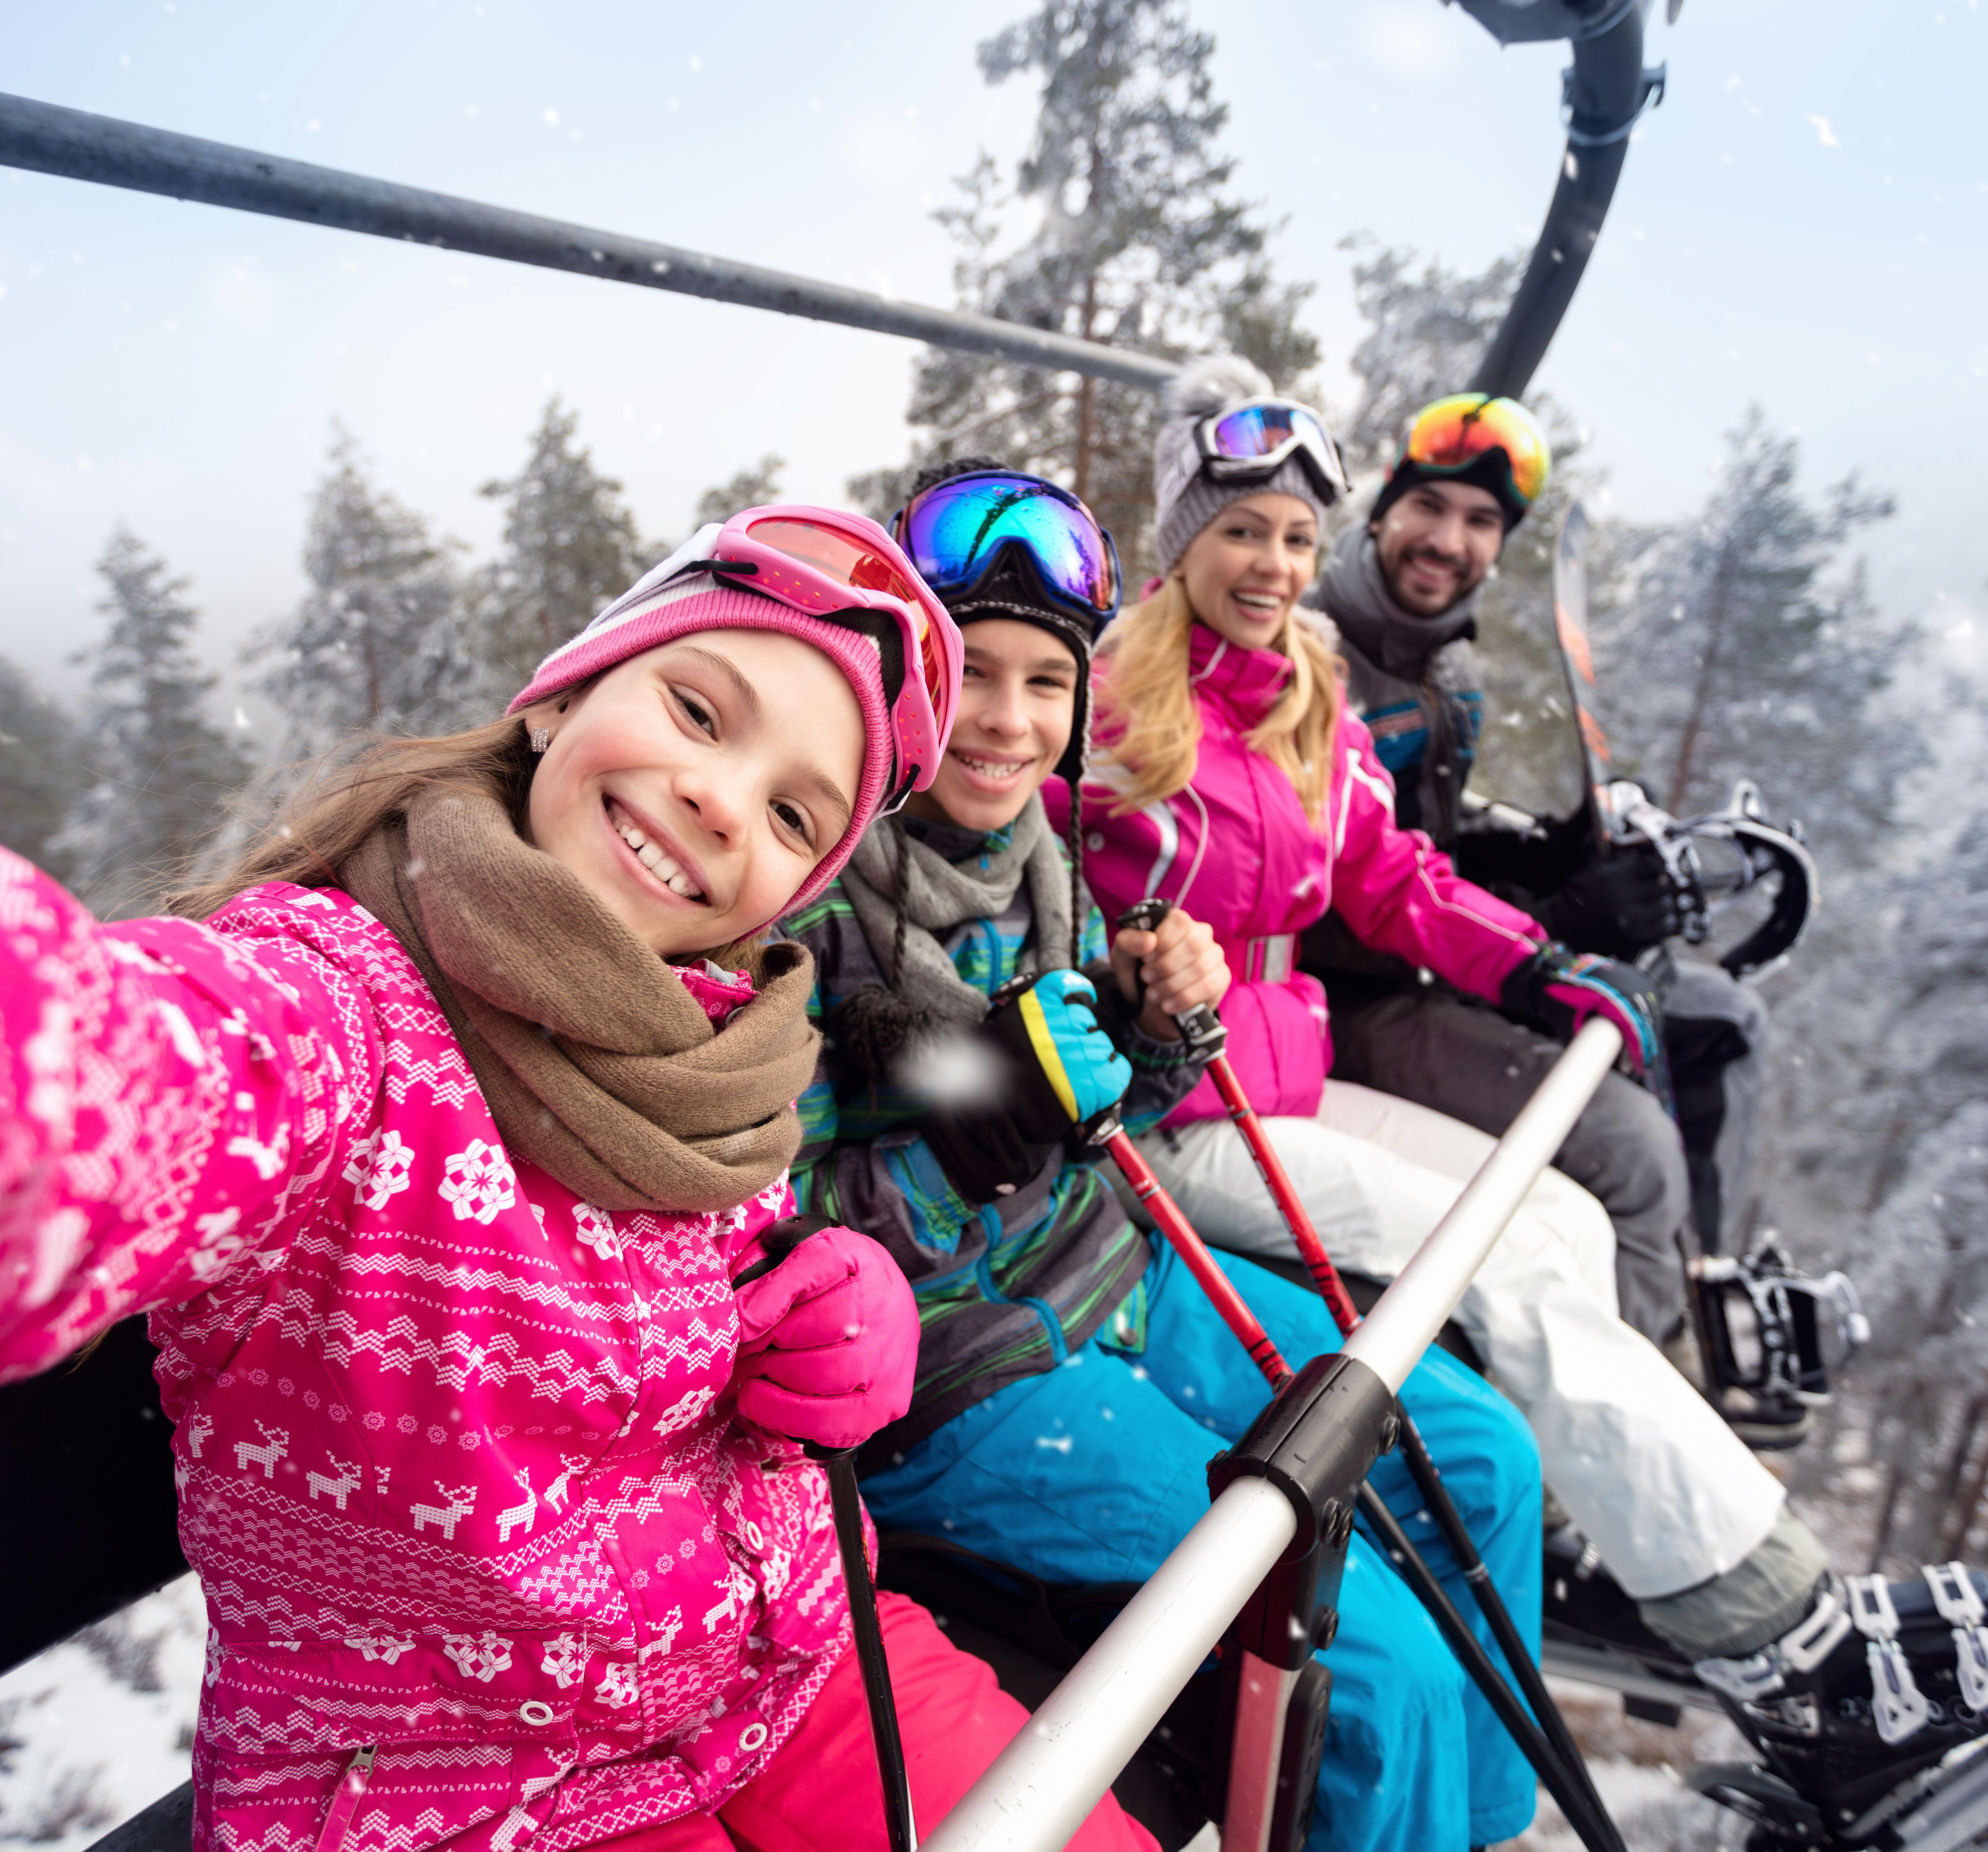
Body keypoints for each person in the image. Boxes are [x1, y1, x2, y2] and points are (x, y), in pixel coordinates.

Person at [0, 508, 1159, 1852]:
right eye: (696, 711)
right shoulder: (338, 1011)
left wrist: (831, 1302)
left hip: (798, 1655)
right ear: (562, 695)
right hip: (471, 1789)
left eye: (794, 811)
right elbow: (81, 1098)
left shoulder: (719, 1045)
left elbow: (712, 1288)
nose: (720, 798)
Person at [777, 461, 1549, 1852]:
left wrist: (1150, 1030)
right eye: (973, 677)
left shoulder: (1037, 856)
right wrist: (971, 1140)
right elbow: (769, 1236)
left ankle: (1471, 1830)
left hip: (1110, 1271)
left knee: (1482, 1456)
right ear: (902, 683)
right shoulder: (811, 892)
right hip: (959, 1364)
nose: (1009, 724)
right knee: (1379, 1665)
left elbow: (1093, 1116)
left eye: (1045, 684)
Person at [1068, 355, 1841, 1690]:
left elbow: (1396, 878)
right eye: (1242, 529)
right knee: (1508, 1258)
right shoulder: (1109, 702)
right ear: (1187, 536)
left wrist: (1541, 968)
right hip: (1171, 1103)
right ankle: (1765, 1612)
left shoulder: (1307, 696)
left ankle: (1605, 1498)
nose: (1272, 565)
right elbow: (1029, 879)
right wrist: (1122, 982)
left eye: (1299, 538)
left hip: (1284, 1069)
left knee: (1568, 1217)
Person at [1300, 391, 1768, 1362]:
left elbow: (1419, 834)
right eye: (1428, 508)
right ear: (1382, 510)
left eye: (1480, 523)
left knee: (1713, 1018)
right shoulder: (1316, 660)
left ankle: (1688, 1288)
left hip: (1423, 961)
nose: (1447, 541)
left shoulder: (1444, 668)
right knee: (1634, 1151)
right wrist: (1550, 918)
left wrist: (1541, 852)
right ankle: (1620, 1404)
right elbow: (1326, 892)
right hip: (1344, 999)